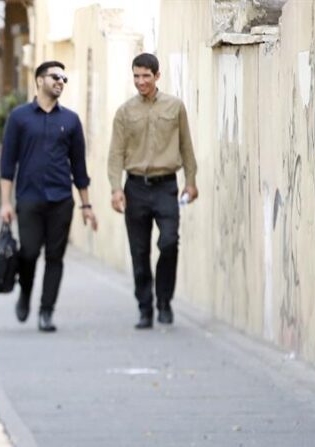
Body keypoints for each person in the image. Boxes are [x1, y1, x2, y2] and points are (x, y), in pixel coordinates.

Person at [0, 60, 98, 333]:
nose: (60, 82)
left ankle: (46, 311)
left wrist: (86, 204)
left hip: (61, 200)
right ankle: (25, 292)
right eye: (55, 77)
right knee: (29, 252)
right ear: (39, 80)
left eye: (64, 79)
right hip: (28, 198)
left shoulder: (71, 120)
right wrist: (6, 203)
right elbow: (8, 163)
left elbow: (79, 167)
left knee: (55, 256)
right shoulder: (19, 118)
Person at [107, 52, 198, 330]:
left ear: (157, 76)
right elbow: (116, 153)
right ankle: (145, 307)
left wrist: (191, 181)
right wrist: (115, 189)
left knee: (169, 242)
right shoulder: (125, 112)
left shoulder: (175, 106)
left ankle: (164, 301)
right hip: (135, 187)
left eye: (146, 76)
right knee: (139, 251)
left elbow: (186, 146)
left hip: (166, 186)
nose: (140, 81)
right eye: (136, 76)